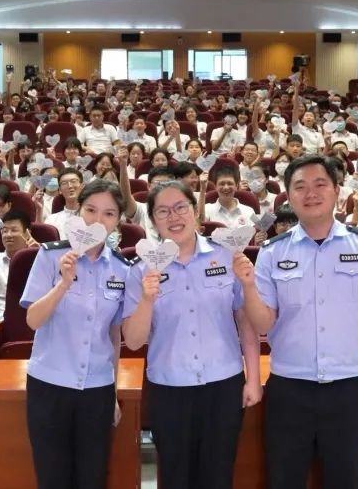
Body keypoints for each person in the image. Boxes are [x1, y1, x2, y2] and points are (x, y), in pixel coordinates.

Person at [238, 155, 358, 489]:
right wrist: (249, 287)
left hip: (347, 388)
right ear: (288, 196)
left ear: (337, 190)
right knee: (283, 480)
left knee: (346, 480)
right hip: (289, 389)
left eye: (320, 184)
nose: (310, 193)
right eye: (300, 187)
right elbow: (263, 324)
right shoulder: (272, 252)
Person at [123, 180, 262, 489]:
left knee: (218, 475)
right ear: (153, 220)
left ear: (195, 212)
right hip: (169, 389)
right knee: (175, 477)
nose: (174, 217)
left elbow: (246, 322)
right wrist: (146, 299)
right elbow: (132, 341)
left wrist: (253, 378)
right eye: (163, 211)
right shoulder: (140, 269)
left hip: (223, 386)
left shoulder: (227, 257)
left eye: (180, 207)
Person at [22, 180, 130, 489]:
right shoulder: (49, 256)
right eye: (91, 210)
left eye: (109, 213)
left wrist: (112, 393)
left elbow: (114, 336)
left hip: (97, 388)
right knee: (52, 477)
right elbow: (32, 320)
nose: (98, 220)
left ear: (118, 220)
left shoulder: (122, 269)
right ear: (78, 212)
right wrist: (64, 283)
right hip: (49, 384)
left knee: (92, 477)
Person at [0, 210, 38, 320]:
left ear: (27, 233)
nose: (8, 235)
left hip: (36, 321)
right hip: (1, 322)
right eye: (5, 231)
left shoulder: (41, 258)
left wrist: (38, 258)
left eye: (14, 230)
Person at [203, 163, 257, 228]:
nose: (226, 187)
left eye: (230, 183)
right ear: (216, 186)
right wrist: (202, 190)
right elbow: (199, 228)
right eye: (222, 184)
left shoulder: (249, 211)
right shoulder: (207, 209)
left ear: (236, 186)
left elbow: (257, 231)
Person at [42, 168, 83, 237]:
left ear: (82, 186)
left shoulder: (93, 217)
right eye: (64, 183)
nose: (70, 186)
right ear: (60, 190)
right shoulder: (51, 220)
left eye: (73, 181)